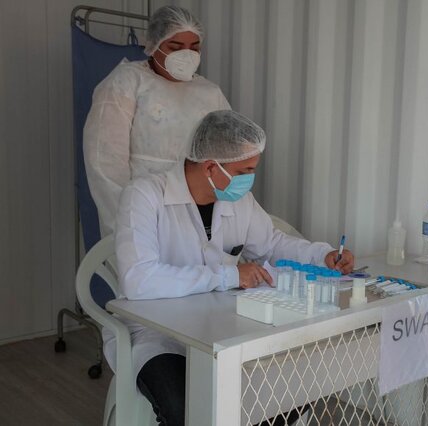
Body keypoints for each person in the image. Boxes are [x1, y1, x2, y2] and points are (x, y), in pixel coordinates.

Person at [105, 110, 355, 425]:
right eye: (246, 170)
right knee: (185, 411)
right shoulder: (144, 195)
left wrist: (323, 255)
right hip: (155, 335)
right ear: (211, 167)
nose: (250, 179)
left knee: (290, 394)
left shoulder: (238, 201)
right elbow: (138, 280)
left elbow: (273, 244)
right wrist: (230, 274)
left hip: (220, 327)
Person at [84, 5, 231, 236]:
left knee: (198, 271)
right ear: (153, 45)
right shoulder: (126, 82)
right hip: (142, 210)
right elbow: (105, 161)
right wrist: (127, 223)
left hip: (200, 214)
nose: (186, 55)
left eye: (194, 47)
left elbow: (228, 155)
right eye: (175, 46)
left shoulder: (210, 93)